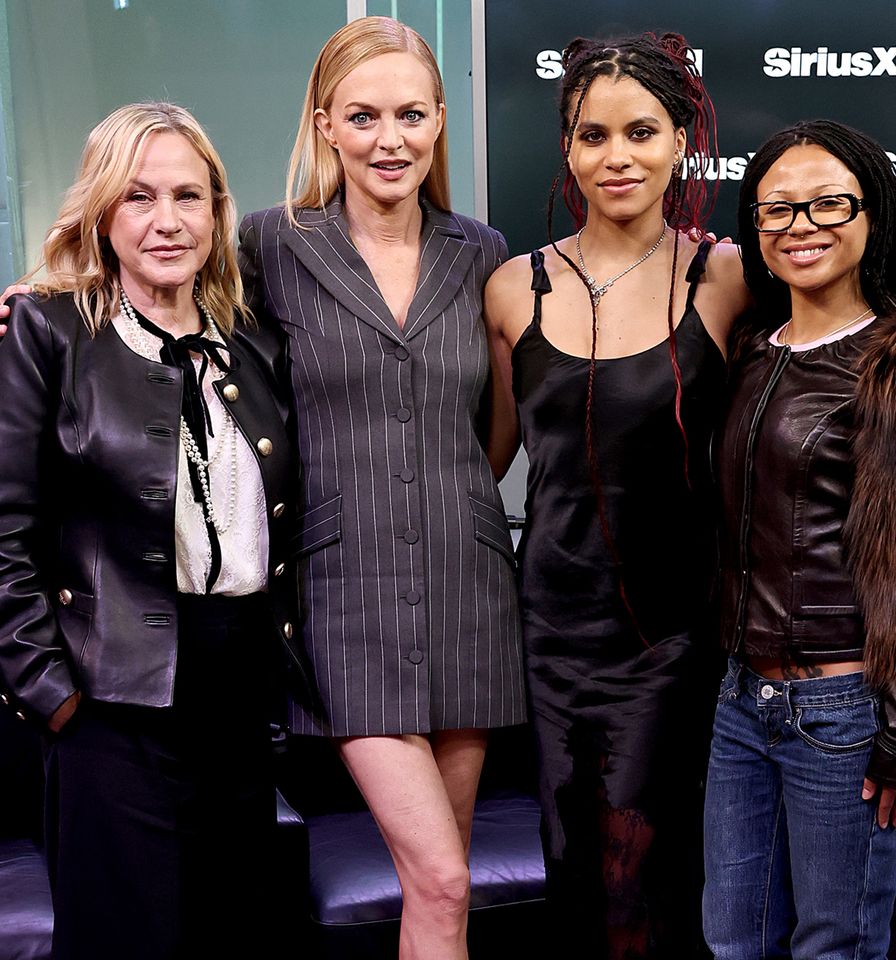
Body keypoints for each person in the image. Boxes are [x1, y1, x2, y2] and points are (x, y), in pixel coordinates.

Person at [238, 17, 524, 959]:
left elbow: (499, 426)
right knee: (444, 878)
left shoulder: (483, 251)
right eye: (362, 116)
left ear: (441, 120)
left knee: (436, 887)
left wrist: (445, 502)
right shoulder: (269, 245)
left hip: (468, 588)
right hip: (342, 597)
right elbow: (154, 300)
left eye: (410, 114)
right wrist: (35, 302)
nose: (388, 139)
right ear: (324, 124)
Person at [0, 102, 300, 959]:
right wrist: (52, 697)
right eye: (138, 197)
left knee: (231, 936)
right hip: (108, 707)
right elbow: (3, 533)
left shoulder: (252, 342)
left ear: (216, 212)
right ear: (102, 213)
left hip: (238, 702)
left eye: (187, 196)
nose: (167, 221)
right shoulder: (48, 332)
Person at [484, 33, 749, 958]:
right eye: (593, 135)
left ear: (681, 140)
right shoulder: (516, 286)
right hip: (550, 635)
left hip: (673, 640)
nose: (617, 157)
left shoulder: (725, 278)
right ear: (567, 148)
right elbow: (483, 461)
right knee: (575, 880)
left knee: (647, 885)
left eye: (641, 132)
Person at [703, 119, 896, 960]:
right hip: (741, 704)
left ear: (873, 214)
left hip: (841, 711)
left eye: (827, 204)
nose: (800, 225)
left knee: (833, 951)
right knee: (733, 944)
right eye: (776, 210)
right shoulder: (751, 351)